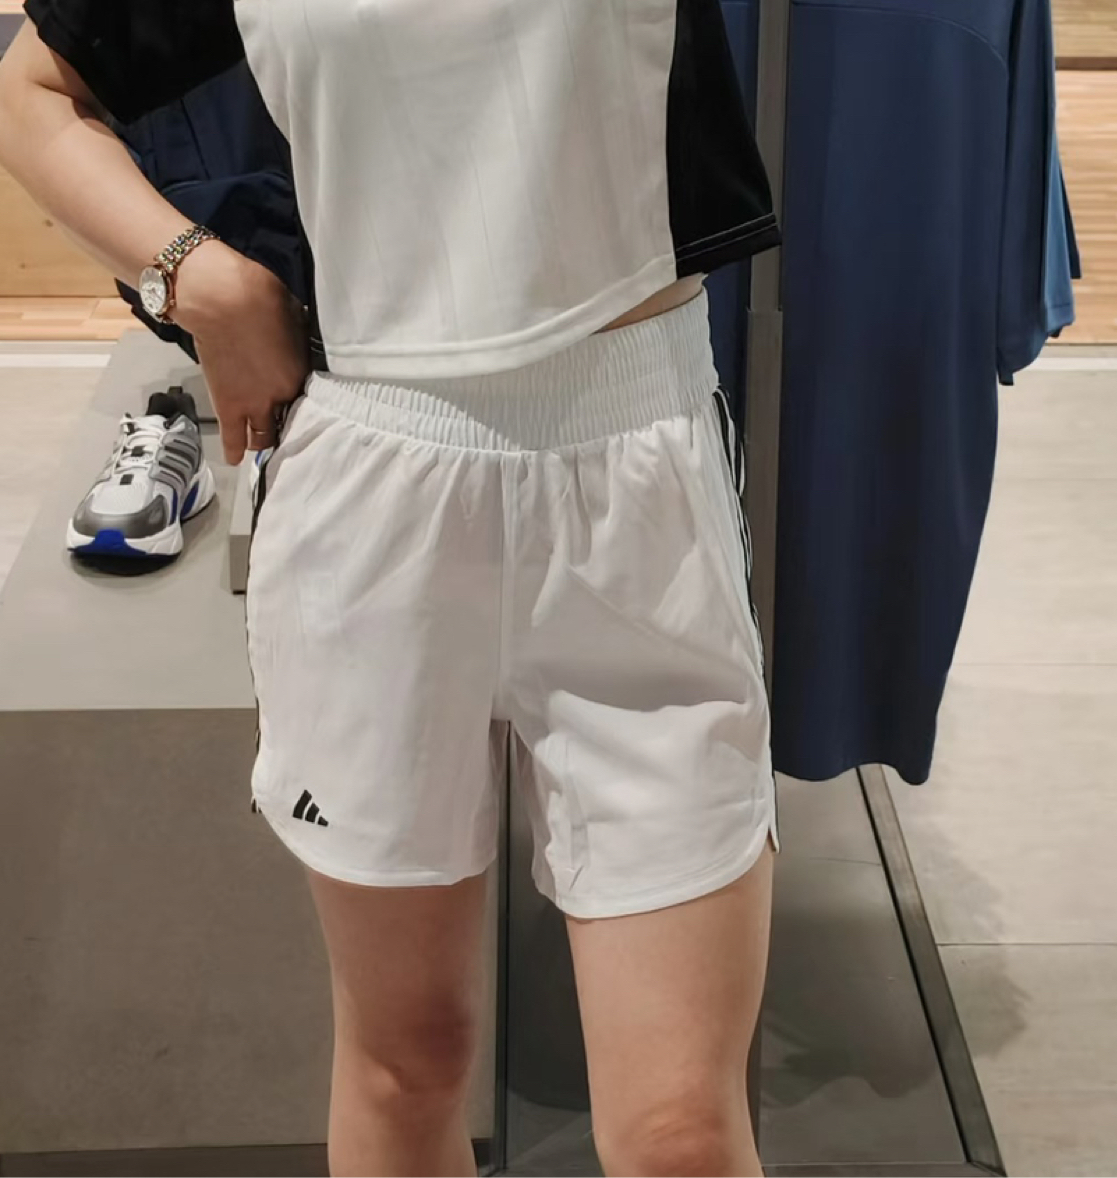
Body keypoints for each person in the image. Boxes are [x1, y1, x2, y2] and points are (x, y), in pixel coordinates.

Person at [0, 3, 781, 1174]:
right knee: (405, 1057)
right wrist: (198, 280)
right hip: (372, 475)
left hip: (636, 466)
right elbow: (35, 93)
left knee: (681, 1131)